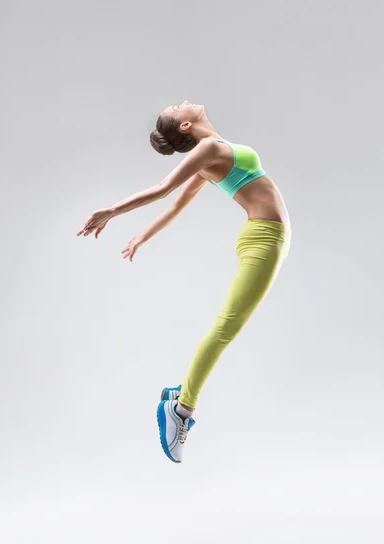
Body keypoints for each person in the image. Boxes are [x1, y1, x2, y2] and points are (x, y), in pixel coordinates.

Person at [77, 100, 291, 464]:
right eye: (177, 108)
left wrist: (143, 236)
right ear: (187, 125)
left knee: (228, 327)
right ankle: (181, 410)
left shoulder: (214, 154)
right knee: (226, 327)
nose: (182, 103)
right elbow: (164, 190)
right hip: (263, 240)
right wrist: (112, 211)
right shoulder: (209, 149)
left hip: (267, 239)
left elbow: (176, 207)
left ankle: (180, 392)